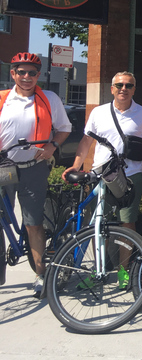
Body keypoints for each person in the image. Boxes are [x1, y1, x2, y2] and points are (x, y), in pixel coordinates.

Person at [0, 52, 71, 295]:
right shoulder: (2, 99)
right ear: (13, 74)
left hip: (33, 168)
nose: (27, 76)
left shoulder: (49, 98)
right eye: (22, 72)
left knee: (33, 223)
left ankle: (40, 274)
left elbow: (64, 129)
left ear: (38, 75)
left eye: (32, 72)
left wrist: (52, 146)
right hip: (4, 167)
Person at [64, 72, 142, 230]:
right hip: (102, 175)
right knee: (98, 223)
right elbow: (86, 141)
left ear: (134, 90)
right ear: (112, 89)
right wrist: (76, 166)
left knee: (127, 223)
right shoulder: (98, 112)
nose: (123, 89)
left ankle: (125, 256)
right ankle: (102, 256)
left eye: (129, 85)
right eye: (119, 85)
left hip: (131, 175)